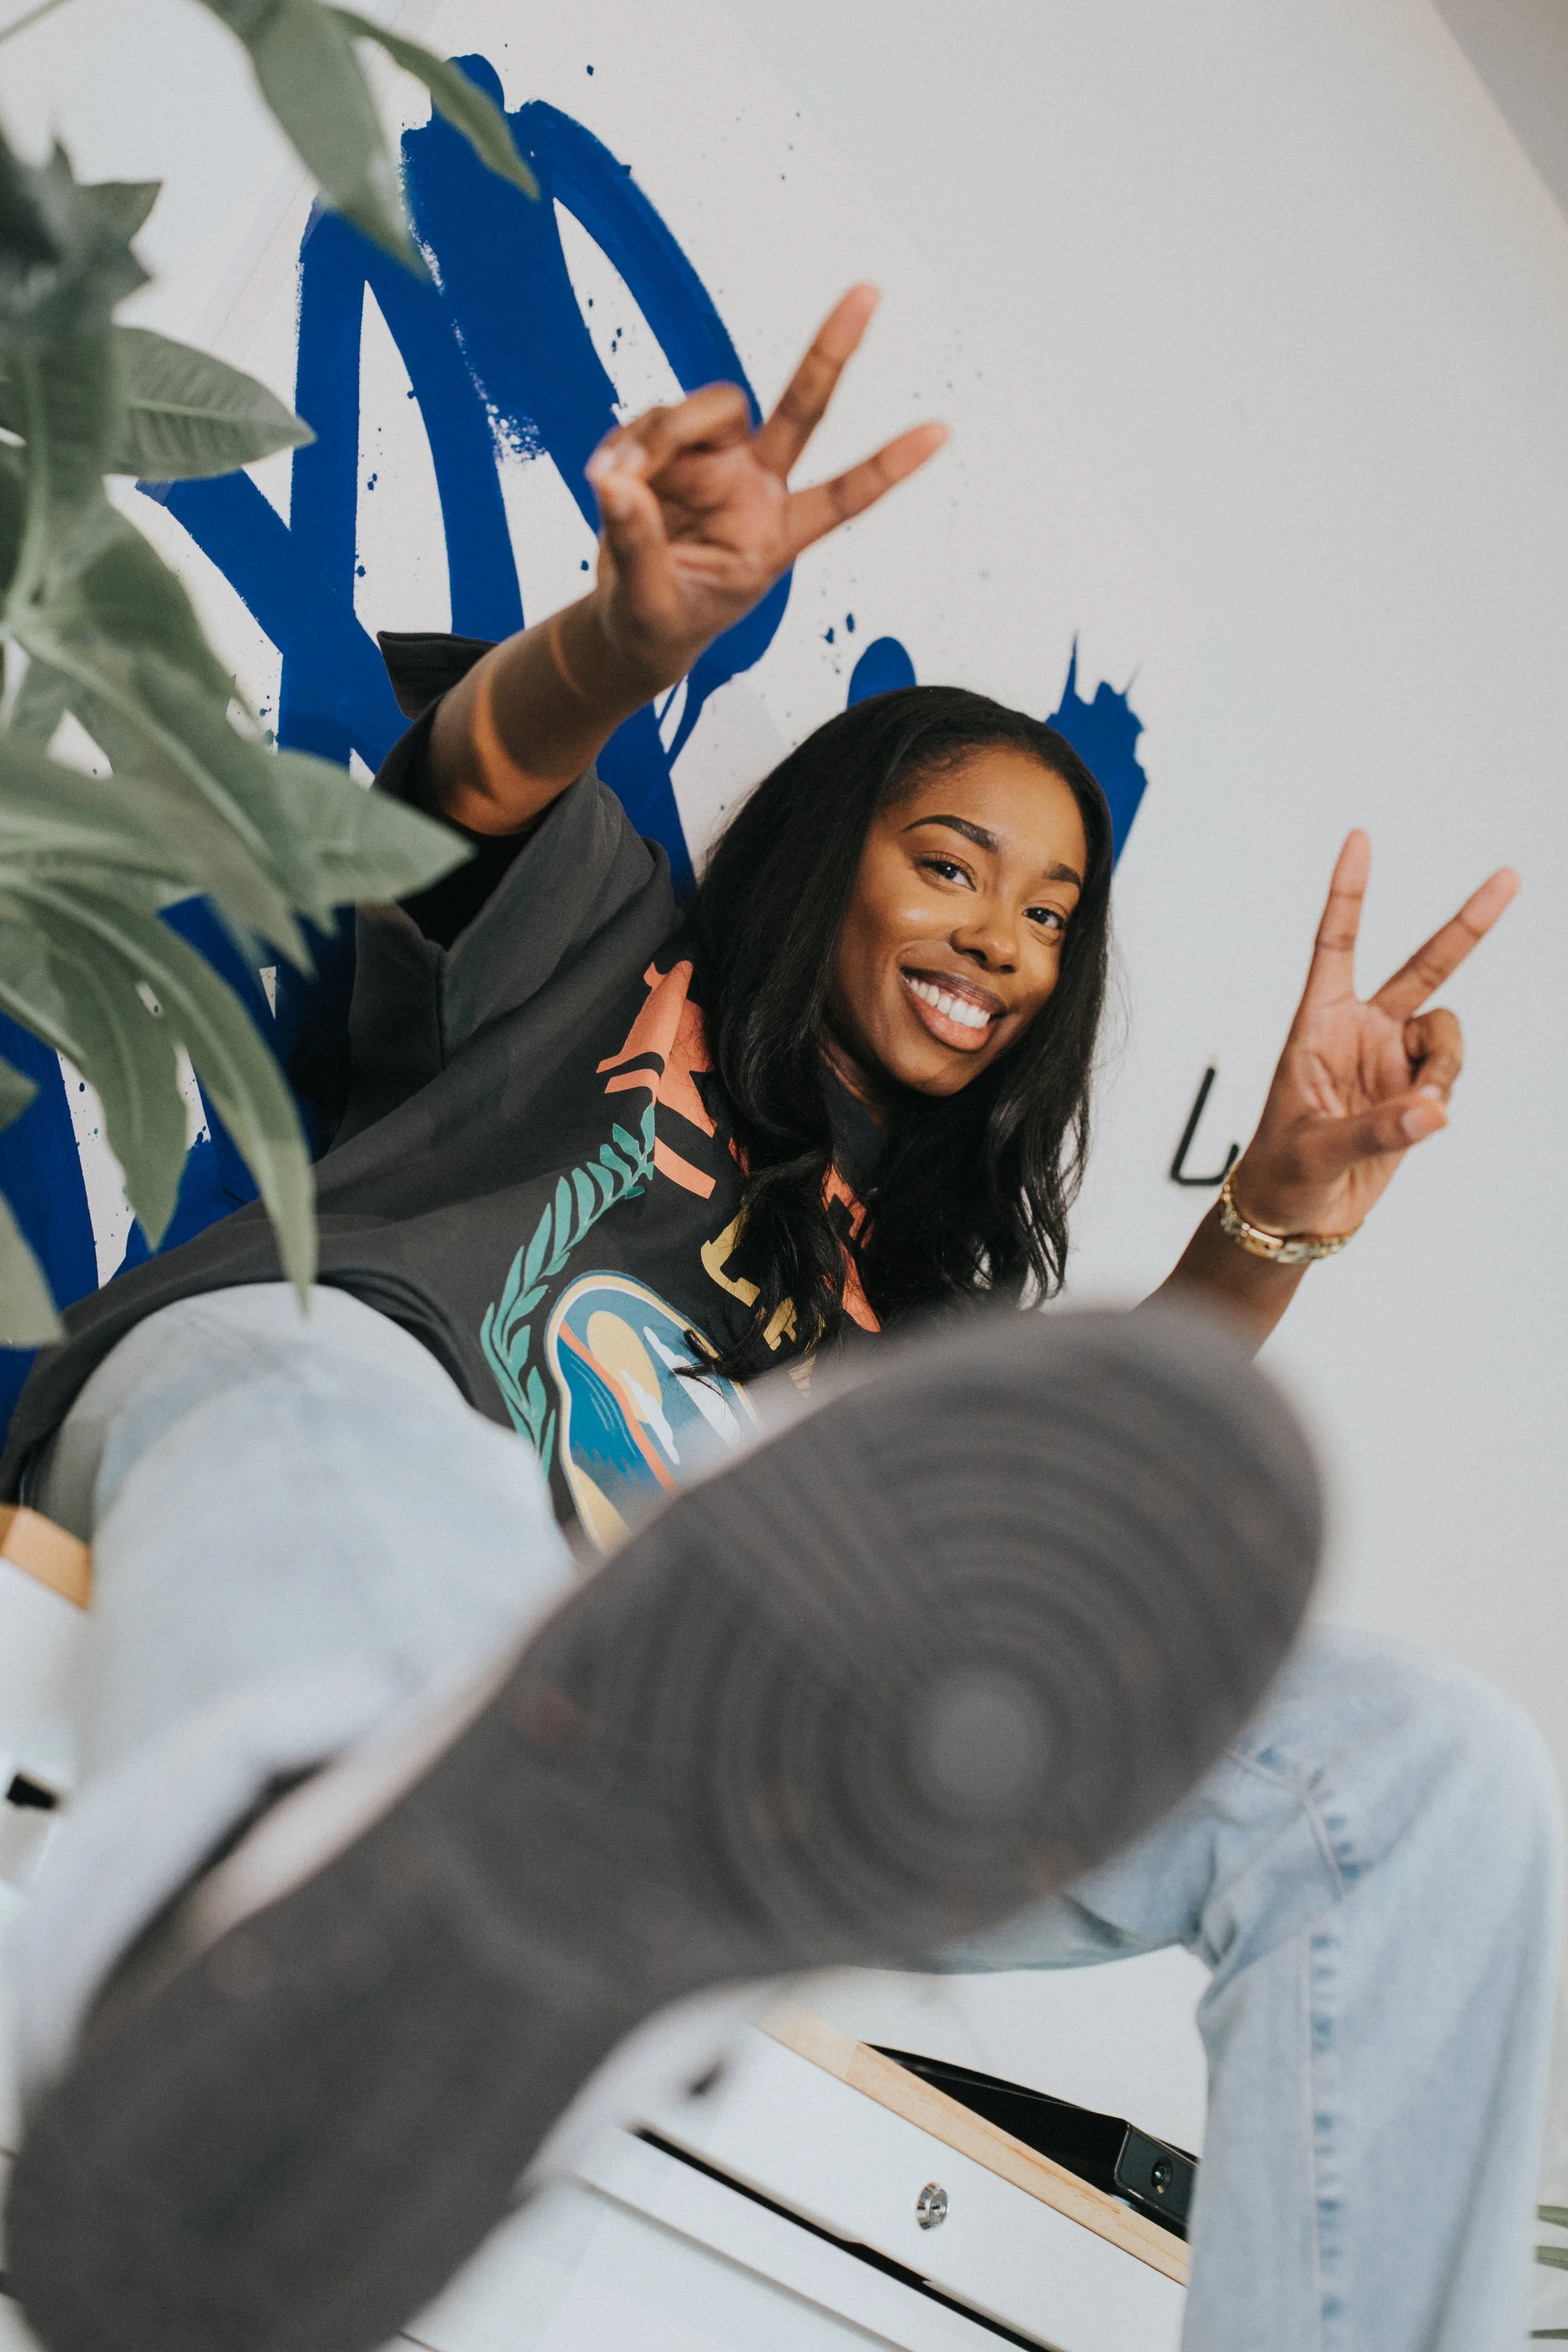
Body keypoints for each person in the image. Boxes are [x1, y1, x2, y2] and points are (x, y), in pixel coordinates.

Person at [0, 292, 1557, 2352]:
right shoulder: (605, 941)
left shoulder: (919, 1323)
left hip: (712, 1736)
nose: (1002, 939)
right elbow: (465, 784)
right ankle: (313, 1978)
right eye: (953, 864)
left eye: (1049, 915)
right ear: (832, 854)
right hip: (328, 1429)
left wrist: (1270, 1214)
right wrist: (620, 646)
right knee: (351, 1391)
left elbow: (1100, 1559)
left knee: (1422, 1766)